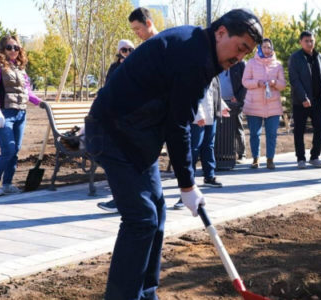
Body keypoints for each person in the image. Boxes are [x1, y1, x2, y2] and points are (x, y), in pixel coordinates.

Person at [84, 9, 262, 299]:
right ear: (220, 33)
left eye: (246, 52)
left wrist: (188, 184)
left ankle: (146, 292)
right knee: (142, 218)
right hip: (114, 132)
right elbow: (178, 125)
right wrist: (188, 185)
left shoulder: (198, 47)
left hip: (136, 135)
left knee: (157, 212)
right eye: (240, 47)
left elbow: (175, 120)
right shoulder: (194, 57)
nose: (239, 57)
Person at [97, 8, 160, 212]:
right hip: (134, 120)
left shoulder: (158, 47)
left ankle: (133, 204)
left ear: (148, 24)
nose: (136, 33)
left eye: (137, 29)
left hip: (146, 121)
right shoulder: (140, 53)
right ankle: (133, 203)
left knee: (136, 165)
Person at [0, 36, 46, 197]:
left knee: (15, 150)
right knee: (8, 150)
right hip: (3, 113)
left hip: (20, 113)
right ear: (2, 49)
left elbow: (27, 92)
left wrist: (40, 103)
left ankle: (7, 184)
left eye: (16, 47)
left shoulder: (20, 68)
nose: (13, 50)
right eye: (9, 47)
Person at [174, 78, 230, 211]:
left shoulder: (214, 73)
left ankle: (209, 176)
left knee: (209, 146)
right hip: (198, 118)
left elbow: (214, 92)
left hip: (212, 116)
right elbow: (192, 95)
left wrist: (221, 106)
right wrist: (198, 115)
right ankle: (188, 182)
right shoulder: (196, 71)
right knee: (193, 149)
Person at [288, 31, 321, 169]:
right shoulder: (295, 58)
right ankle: (301, 158)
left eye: (311, 40)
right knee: (299, 130)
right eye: (306, 41)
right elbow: (294, 80)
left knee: (320, 127)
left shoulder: (320, 57)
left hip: (318, 101)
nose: (309, 43)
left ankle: (315, 156)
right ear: (301, 42)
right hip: (301, 102)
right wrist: (303, 97)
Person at [242, 38, 286, 169]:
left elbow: (283, 85)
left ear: (272, 49)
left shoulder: (278, 65)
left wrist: (274, 83)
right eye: (264, 47)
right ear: (259, 49)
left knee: (272, 133)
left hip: (273, 105)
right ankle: (255, 158)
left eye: (269, 47)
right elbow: (245, 81)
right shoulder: (251, 63)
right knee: (255, 134)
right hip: (254, 104)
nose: (267, 50)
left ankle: (270, 159)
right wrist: (257, 83)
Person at [219, 60, 247, 163]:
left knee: (237, 127)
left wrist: (238, 97)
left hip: (234, 101)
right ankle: (222, 154)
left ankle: (241, 154)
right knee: (220, 129)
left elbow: (245, 83)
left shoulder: (241, 64)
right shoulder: (219, 61)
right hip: (219, 101)